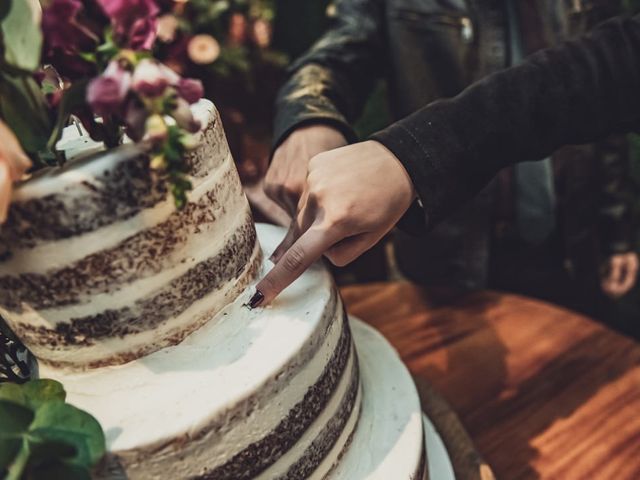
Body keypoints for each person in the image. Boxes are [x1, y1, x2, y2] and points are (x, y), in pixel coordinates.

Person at [260, 0, 639, 316]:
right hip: (452, 252)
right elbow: (336, 55)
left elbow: (604, 90)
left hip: (569, 239)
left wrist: (616, 230)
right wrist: (309, 115)